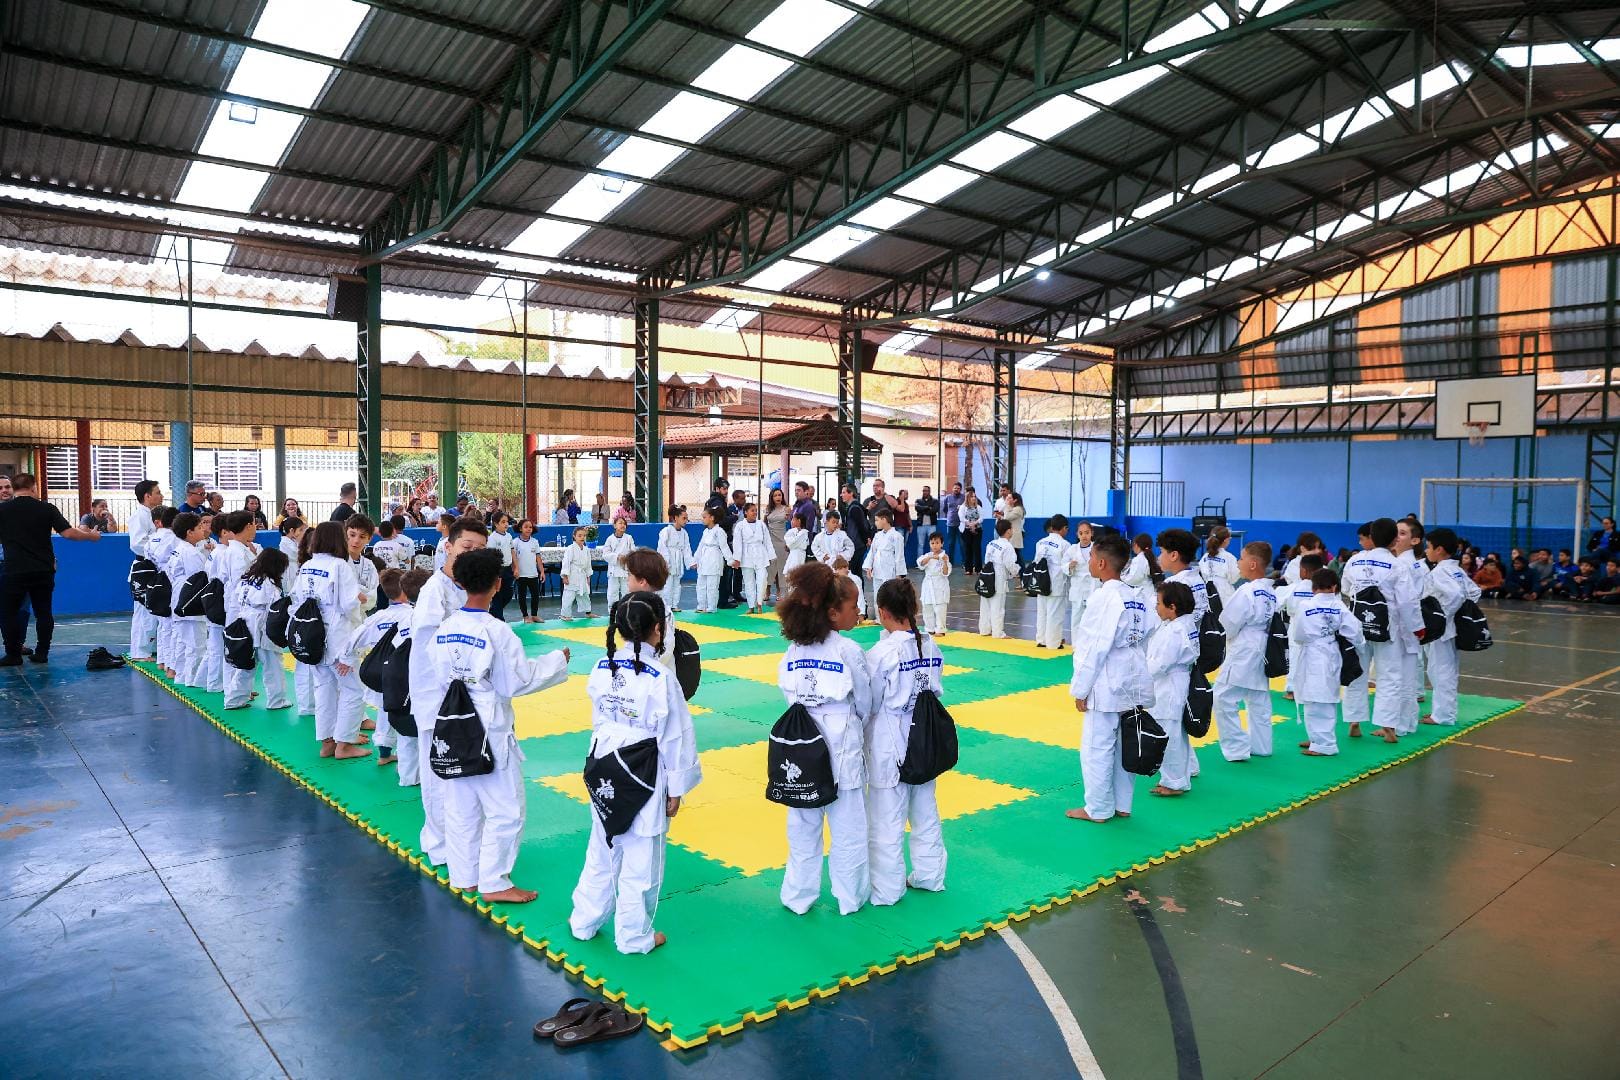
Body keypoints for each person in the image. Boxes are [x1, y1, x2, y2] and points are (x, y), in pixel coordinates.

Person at [431, 548, 569, 903]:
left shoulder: (445, 628)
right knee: (506, 808)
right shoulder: (496, 631)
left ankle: (465, 876)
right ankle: (494, 881)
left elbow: (439, 674)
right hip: (489, 730)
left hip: (452, 724)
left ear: (459, 583)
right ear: (497, 584)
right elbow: (515, 682)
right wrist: (556, 660)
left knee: (461, 806)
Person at [570, 591, 698, 950]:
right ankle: (633, 935)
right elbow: (676, 737)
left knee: (603, 845)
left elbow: (598, 717)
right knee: (642, 855)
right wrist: (676, 787)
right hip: (643, 767)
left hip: (604, 761)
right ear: (658, 628)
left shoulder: (602, 665)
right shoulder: (659, 676)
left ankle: (584, 921)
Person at [776, 561, 871, 915]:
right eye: (852, 607)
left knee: (802, 824)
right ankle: (850, 898)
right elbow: (866, 700)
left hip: (801, 744)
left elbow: (787, 693)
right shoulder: (847, 651)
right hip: (841, 738)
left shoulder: (794, 651)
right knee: (847, 827)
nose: (858, 611)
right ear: (832, 612)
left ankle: (798, 897)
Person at [411, 517, 488, 868]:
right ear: (448, 545)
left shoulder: (468, 588)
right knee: (437, 771)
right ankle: (438, 841)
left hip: (463, 696)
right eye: (467, 548)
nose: (472, 554)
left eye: (480, 550)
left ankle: (462, 840)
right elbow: (429, 650)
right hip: (435, 694)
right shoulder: (434, 591)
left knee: (461, 773)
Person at [865, 577, 947, 905]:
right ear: (913, 608)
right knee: (925, 813)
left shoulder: (881, 654)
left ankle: (888, 890)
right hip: (926, 742)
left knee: (887, 821)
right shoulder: (930, 644)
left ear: (882, 612)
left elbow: (868, 704)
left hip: (891, 745)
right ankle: (930, 876)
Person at [1067, 534, 1150, 822]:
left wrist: (1080, 688)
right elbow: (1147, 636)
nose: (1089, 562)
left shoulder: (1104, 598)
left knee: (1097, 747)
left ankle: (1098, 809)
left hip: (1106, 681)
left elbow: (1093, 648)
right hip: (1133, 678)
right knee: (1124, 743)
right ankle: (1122, 805)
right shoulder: (1136, 595)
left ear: (1101, 563)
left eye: (1091, 558)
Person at [0, 473, 101, 667]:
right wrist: (91, 537)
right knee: (43, 612)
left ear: (13, 488)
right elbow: (69, 533)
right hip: (43, 569)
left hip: (13, 570)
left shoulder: (3, 510)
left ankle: (13, 654)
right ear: (33, 487)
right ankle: (42, 652)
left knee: (8, 613)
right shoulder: (46, 509)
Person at [294, 521, 368, 761]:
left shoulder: (307, 566)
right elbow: (348, 606)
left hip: (314, 637)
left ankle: (327, 742)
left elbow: (295, 599)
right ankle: (345, 744)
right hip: (339, 639)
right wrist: (360, 600)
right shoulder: (339, 566)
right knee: (353, 690)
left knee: (324, 689)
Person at [1342, 518, 1413, 743]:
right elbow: (1407, 602)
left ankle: (1354, 721)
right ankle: (1388, 726)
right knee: (1389, 676)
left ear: (1371, 537)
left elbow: (1345, 589)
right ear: (1394, 540)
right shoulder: (1398, 565)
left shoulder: (1354, 561)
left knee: (1357, 672)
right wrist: (1415, 628)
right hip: (1387, 627)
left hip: (1357, 625)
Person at [1213, 541, 1278, 762]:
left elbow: (1229, 622)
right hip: (1263, 647)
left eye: (1241, 558)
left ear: (1252, 563)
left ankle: (1236, 747)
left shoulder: (1247, 590)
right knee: (1258, 697)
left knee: (1223, 697)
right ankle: (1261, 745)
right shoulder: (1270, 592)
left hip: (1245, 647)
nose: (1238, 563)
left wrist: (1229, 639)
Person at [1290, 568, 1363, 756]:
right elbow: (1355, 632)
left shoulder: (1306, 605)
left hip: (1312, 651)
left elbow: (1298, 634)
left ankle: (1325, 744)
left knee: (1316, 698)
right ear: (1335, 587)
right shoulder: (1340, 606)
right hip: (1331, 652)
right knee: (1323, 696)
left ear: (1313, 588)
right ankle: (1317, 738)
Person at [1146, 581, 1199, 796]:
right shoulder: (1184, 624)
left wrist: (1139, 674)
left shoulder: (1176, 631)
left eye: (1159, 603)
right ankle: (1183, 774)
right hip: (1176, 682)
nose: (1156, 607)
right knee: (1177, 732)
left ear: (1173, 606)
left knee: (1169, 735)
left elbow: (1160, 664)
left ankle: (1173, 782)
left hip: (1169, 685)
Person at [223, 547, 292, 711]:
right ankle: (277, 701)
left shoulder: (246, 579)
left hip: (244, 625)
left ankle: (234, 700)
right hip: (263, 627)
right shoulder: (270, 585)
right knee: (273, 665)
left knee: (246, 665)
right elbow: (275, 611)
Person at [1421, 528, 1476, 728]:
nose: (1426, 551)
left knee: (1439, 671)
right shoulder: (1457, 570)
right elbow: (1473, 593)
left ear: (1440, 549)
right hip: (1452, 628)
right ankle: (1444, 712)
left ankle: (1442, 716)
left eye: (1428, 547)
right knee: (1447, 671)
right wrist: (1459, 614)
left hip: (1442, 630)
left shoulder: (1440, 571)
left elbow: (1456, 596)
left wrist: (1442, 616)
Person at [163, 511, 209, 685]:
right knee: (196, 645)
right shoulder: (190, 553)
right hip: (190, 603)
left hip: (179, 599)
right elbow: (199, 580)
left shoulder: (180, 549)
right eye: (199, 527)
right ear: (189, 532)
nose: (203, 530)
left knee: (183, 642)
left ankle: (182, 676)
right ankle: (193, 679)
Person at [128, 479, 165, 661]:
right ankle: (140, 652)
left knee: (153, 610)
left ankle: (147, 647)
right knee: (145, 612)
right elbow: (136, 544)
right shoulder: (140, 516)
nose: (161, 495)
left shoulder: (151, 515)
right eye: (157, 492)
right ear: (147, 496)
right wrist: (158, 551)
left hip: (154, 567)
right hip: (145, 568)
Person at [978, 518, 1020, 639]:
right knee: (998, 606)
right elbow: (1010, 564)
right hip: (999, 576)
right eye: (1011, 529)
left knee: (985, 603)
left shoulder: (991, 543)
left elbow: (986, 559)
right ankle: (998, 633)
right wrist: (1016, 571)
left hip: (987, 574)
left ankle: (984, 630)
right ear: (1008, 531)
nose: (1012, 531)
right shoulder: (1007, 546)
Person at [1034, 515, 1070, 648]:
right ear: (1064, 528)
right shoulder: (1065, 545)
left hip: (1041, 581)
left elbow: (1036, 562)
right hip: (1056, 583)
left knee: (1042, 612)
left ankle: (1041, 639)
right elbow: (1066, 567)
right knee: (1055, 614)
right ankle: (1054, 642)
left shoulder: (1040, 542)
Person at [864, 506, 905, 621]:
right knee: (878, 593)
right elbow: (872, 552)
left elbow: (899, 556)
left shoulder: (897, 536)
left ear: (884, 520)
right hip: (877, 569)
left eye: (877, 520)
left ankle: (891, 618)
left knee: (890, 595)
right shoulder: (877, 536)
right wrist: (868, 567)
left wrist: (899, 573)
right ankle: (879, 618)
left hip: (889, 570)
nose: (875, 523)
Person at [703, 479, 738, 608]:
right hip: (720, 542)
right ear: (717, 489)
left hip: (717, 542)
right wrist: (733, 517)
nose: (726, 491)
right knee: (724, 573)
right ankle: (722, 600)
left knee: (720, 574)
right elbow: (721, 520)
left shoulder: (713, 501)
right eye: (723, 488)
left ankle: (720, 599)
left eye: (727, 488)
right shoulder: (717, 502)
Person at [734, 503, 772, 615]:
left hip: (760, 554)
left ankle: (759, 603)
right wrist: (737, 558)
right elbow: (737, 543)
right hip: (746, 555)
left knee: (762, 579)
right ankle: (751, 606)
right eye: (752, 510)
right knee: (748, 581)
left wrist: (769, 556)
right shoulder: (740, 526)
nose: (755, 512)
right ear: (745, 512)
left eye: (756, 510)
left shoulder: (761, 525)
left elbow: (767, 541)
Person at [1065, 521, 1099, 644]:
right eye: (1081, 533)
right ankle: (1076, 646)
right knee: (1076, 620)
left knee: (1092, 619)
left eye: (1087, 533)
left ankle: (1091, 645)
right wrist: (1069, 566)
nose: (1084, 536)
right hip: (1078, 588)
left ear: (1092, 533)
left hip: (1093, 587)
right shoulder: (1072, 550)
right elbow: (1063, 566)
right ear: (1077, 534)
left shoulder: (1097, 548)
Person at [694, 508, 732, 614]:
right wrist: (695, 560)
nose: (703, 519)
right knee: (701, 583)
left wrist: (730, 560)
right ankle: (701, 605)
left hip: (714, 558)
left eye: (704, 517)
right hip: (704, 559)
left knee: (712, 586)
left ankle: (711, 607)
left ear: (712, 518)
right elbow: (700, 546)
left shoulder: (719, 531)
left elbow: (724, 547)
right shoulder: (706, 531)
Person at [656, 506, 692, 614]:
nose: (686, 521)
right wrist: (666, 562)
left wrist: (691, 562)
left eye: (687, 518)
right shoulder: (666, 531)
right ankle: (665, 606)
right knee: (667, 584)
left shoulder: (684, 533)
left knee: (677, 583)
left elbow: (686, 549)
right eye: (684, 518)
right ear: (676, 518)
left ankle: (674, 604)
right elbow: (662, 547)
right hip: (669, 559)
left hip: (678, 559)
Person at [917, 531, 951, 635]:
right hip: (928, 584)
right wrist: (930, 557)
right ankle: (929, 629)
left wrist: (944, 561)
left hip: (940, 584)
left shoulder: (945, 557)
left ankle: (941, 629)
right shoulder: (927, 555)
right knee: (927, 607)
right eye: (932, 543)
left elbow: (946, 573)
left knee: (940, 609)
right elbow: (920, 564)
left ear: (942, 543)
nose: (934, 545)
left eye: (937, 543)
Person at [512, 519, 544, 623]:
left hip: (533, 574)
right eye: (526, 527)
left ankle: (534, 615)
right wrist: (515, 570)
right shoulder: (515, 542)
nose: (529, 529)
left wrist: (542, 571)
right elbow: (513, 558)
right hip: (521, 575)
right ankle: (525, 616)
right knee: (522, 596)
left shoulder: (535, 542)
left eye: (530, 527)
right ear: (520, 529)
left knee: (535, 595)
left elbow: (538, 558)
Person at [1199, 526, 1240, 607]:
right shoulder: (1229, 557)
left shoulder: (1204, 557)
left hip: (1207, 591)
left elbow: (1202, 575)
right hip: (1225, 594)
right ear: (1226, 540)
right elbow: (1233, 579)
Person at [485, 513, 515, 621]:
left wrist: (515, 567)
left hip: (508, 568)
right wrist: (496, 573)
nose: (506, 524)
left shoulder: (509, 536)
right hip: (498, 569)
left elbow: (512, 552)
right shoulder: (492, 538)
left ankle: (493, 613)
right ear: (496, 524)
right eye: (503, 522)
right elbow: (491, 556)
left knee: (508, 593)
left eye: (507, 522)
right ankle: (499, 619)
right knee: (497, 594)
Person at [560, 525, 595, 619]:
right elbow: (566, 562)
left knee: (584, 595)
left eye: (584, 535)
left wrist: (588, 577)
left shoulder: (586, 550)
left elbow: (588, 565)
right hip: (572, 575)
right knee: (569, 595)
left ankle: (588, 612)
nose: (582, 537)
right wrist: (565, 576)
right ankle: (565, 615)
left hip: (582, 575)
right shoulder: (570, 548)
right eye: (579, 535)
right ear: (574, 536)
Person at [600, 516, 635, 608]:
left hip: (625, 569)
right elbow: (605, 554)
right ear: (614, 525)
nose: (622, 525)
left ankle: (626, 613)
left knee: (627, 592)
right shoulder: (610, 539)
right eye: (620, 523)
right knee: (612, 593)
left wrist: (626, 558)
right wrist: (617, 557)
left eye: (624, 524)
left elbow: (633, 553)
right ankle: (612, 613)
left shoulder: (629, 538)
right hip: (614, 570)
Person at [764, 487, 791, 601]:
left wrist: (789, 542)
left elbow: (790, 525)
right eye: (775, 495)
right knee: (770, 567)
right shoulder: (768, 509)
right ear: (772, 497)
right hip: (770, 541)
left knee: (781, 566)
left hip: (782, 541)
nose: (778, 497)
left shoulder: (787, 509)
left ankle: (781, 591)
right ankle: (767, 591)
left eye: (779, 495)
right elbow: (765, 524)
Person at [839, 484, 871, 579]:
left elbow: (861, 526)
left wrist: (866, 540)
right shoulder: (854, 507)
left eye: (844, 492)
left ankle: (857, 592)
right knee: (855, 572)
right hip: (856, 544)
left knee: (854, 573)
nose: (841, 495)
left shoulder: (854, 508)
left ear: (851, 493)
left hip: (856, 545)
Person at [959, 490, 984, 575]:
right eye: (972, 496)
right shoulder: (963, 507)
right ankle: (968, 569)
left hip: (977, 530)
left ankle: (978, 568)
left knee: (977, 548)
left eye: (974, 496)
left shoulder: (978, 507)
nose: (974, 498)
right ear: (967, 498)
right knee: (968, 549)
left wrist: (975, 523)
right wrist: (969, 524)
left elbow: (981, 518)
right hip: (967, 530)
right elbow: (961, 518)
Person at [940, 482, 965, 562]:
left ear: (960, 489)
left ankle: (964, 562)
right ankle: (950, 562)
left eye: (958, 488)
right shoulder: (948, 497)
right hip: (950, 524)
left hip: (961, 524)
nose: (956, 489)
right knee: (951, 544)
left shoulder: (964, 497)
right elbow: (944, 509)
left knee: (962, 544)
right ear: (952, 488)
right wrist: (950, 515)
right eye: (955, 488)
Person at [912, 486, 939, 556]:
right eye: (923, 490)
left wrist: (923, 510)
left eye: (926, 491)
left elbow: (934, 510)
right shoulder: (918, 501)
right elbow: (917, 508)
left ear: (929, 492)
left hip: (931, 526)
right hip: (921, 526)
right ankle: (920, 562)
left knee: (933, 544)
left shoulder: (935, 501)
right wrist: (927, 508)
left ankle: (932, 562)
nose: (925, 492)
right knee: (920, 544)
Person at [784, 513, 810, 579]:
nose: (791, 521)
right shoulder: (796, 532)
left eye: (793, 519)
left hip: (798, 557)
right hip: (793, 555)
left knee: (795, 577)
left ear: (799, 521)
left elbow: (791, 544)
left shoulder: (803, 533)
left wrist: (788, 546)